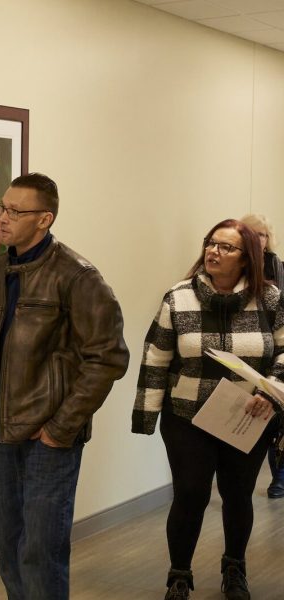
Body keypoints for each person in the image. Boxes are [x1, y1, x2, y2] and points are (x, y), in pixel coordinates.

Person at [0, 172, 130, 600]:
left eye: (15, 211)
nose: (2, 217)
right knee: (8, 550)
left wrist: (60, 428)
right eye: (2, 206)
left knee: (40, 552)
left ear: (44, 219)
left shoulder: (77, 277)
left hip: (47, 441)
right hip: (1, 438)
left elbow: (108, 357)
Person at [132, 219, 284, 600]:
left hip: (249, 415)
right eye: (210, 243)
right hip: (187, 416)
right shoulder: (179, 296)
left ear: (247, 258)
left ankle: (234, 569)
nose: (213, 251)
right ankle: (179, 576)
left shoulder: (269, 299)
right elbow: (156, 356)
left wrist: (271, 392)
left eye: (226, 247)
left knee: (238, 494)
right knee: (190, 493)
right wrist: (146, 416)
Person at [240, 213, 284, 498]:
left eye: (262, 234)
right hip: (248, 351)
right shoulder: (236, 270)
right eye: (252, 233)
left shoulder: (279, 269)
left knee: (278, 417)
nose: (258, 239)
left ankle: (279, 475)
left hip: (278, 349)